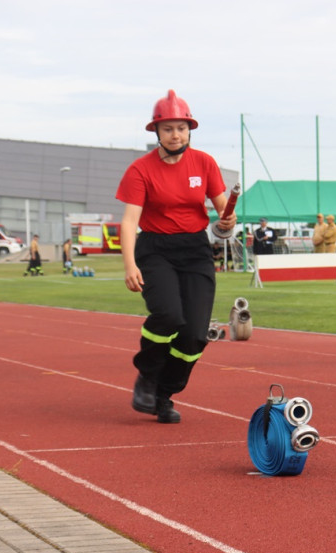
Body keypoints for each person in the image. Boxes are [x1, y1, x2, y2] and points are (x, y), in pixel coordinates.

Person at [117, 89, 236, 424]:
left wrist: (228, 220)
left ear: (189, 130)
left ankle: (164, 395)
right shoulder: (140, 170)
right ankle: (147, 376)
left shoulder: (205, 163)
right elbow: (129, 221)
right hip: (155, 250)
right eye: (168, 128)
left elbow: (224, 211)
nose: (175, 135)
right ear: (156, 131)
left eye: (181, 128)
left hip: (195, 250)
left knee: (196, 334)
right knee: (169, 315)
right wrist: (130, 265)